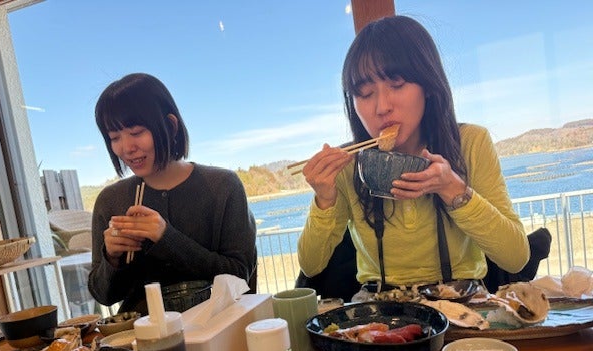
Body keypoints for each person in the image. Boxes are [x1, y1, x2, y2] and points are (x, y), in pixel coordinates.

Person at [297, 16, 530, 296]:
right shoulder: (349, 164)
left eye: (397, 84)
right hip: (379, 307)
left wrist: (453, 189)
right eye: (365, 93)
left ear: (428, 84)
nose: (382, 107)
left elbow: (516, 257)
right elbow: (311, 265)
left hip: (460, 300)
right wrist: (324, 199)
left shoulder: (470, 142)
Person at [88, 73, 257, 314]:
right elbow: (104, 295)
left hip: (216, 327)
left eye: (136, 132)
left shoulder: (223, 186)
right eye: (114, 137)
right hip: (141, 333)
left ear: (170, 125)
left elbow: (239, 276)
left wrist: (166, 238)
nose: (126, 148)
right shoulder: (111, 200)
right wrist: (112, 258)